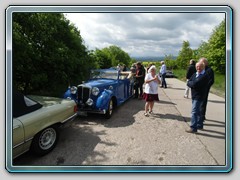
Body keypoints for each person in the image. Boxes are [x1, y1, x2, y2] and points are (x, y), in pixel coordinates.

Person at [186, 61, 209, 133]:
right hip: (194, 95)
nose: (198, 68)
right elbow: (188, 82)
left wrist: (192, 83)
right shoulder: (195, 74)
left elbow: (195, 84)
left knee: (194, 112)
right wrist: (192, 83)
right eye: (197, 67)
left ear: (203, 67)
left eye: (200, 66)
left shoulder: (204, 75)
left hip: (199, 96)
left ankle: (193, 127)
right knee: (198, 111)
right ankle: (199, 124)